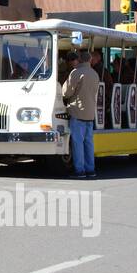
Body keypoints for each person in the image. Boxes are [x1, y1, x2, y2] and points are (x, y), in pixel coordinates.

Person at [61, 50, 99, 180]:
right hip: (90, 113)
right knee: (89, 143)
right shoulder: (94, 74)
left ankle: (79, 170)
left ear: (80, 60)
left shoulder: (76, 73)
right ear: (89, 60)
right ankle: (90, 169)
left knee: (78, 143)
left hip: (77, 112)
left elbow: (66, 92)